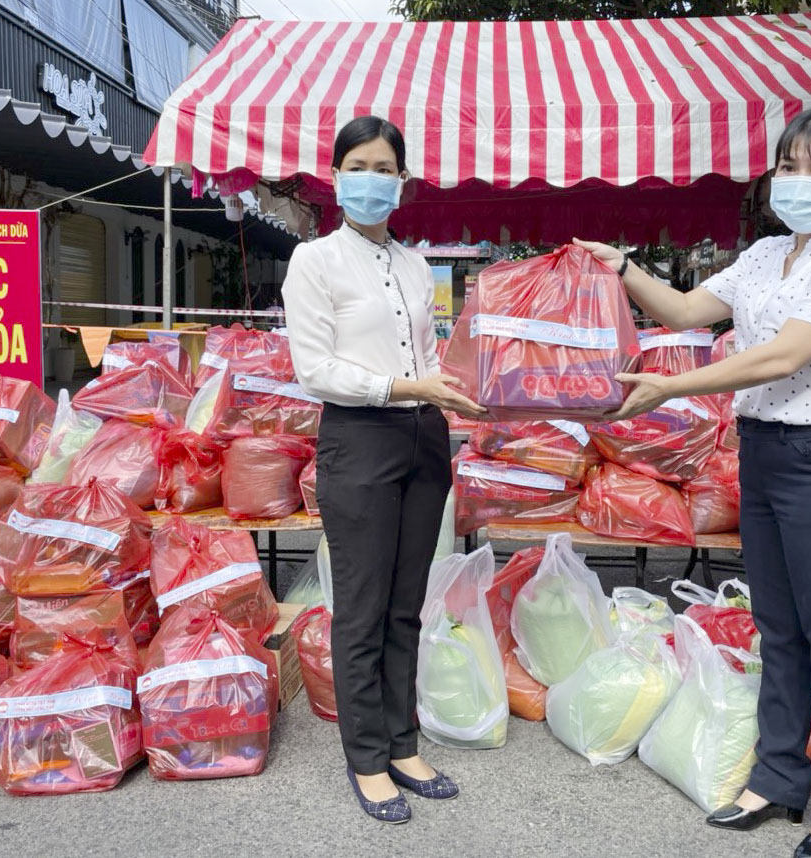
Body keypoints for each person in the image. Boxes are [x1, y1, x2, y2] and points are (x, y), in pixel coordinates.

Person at [576, 106, 811, 858]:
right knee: (779, 628)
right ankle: (780, 776)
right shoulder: (762, 257)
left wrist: (669, 389)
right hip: (763, 454)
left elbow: (782, 357)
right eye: (789, 165)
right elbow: (688, 309)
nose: (801, 181)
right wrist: (621, 267)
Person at [282, 116, 486, 825]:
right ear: (337, 176)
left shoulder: (413, 263)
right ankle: (365, 756)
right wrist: (409, 389)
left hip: (424, 437)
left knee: (406, 602)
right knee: (362, 607)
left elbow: (428, 359)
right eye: (359, 165)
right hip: (360, 437)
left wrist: (458, 393)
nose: (372, 179)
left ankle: (402, 741)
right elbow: (316, 370)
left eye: (385, 168)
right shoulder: (314, 261)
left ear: (402, 181)